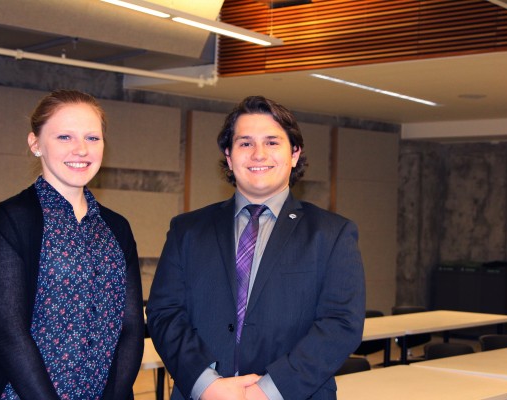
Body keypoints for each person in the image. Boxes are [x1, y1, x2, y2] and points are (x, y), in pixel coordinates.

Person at [146, 95, 365, 400]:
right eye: (245, 143)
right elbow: (164, 313)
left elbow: (341, 324)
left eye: (273, 142)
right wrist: (206, 384)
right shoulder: (187, 230)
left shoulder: (332, 234)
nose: (258, 154)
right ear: (229, 155)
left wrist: (269, 391)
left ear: (294, 154)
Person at [0, 90, 144, 399]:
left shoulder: (117, 228)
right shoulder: (13, 220)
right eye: (65, 137)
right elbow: (10, 335)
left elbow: (131, 328)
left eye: (93, 138)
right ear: (35, 143)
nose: (81, 149)